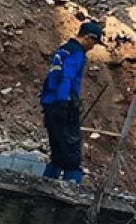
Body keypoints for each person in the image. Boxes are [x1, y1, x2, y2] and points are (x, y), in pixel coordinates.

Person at [39, 20, 103, 184]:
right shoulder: (76, 53)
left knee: (57, 152)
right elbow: (66, 77)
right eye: (94, 42)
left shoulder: (63, 50)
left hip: (49, 103)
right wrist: (63, 101)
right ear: (88, 38)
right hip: (64, 105)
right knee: (72, 154)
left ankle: (46, 185)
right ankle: (73, 191)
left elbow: (52, 77)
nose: (93, 47)